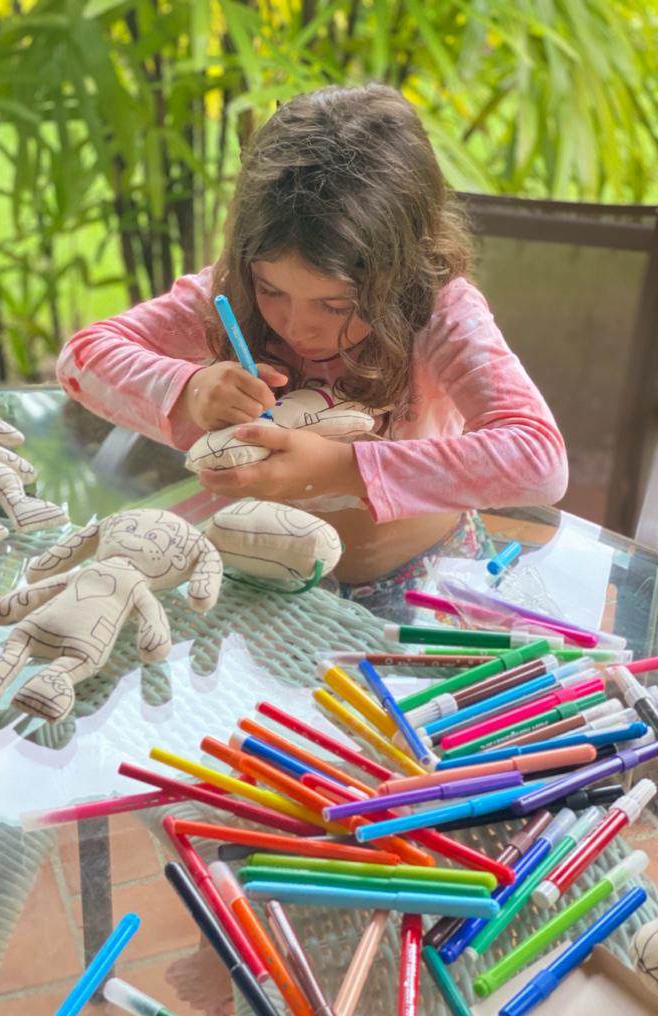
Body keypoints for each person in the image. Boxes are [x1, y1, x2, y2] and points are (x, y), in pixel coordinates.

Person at [57, 84, 568, 617]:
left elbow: (540, 461)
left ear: (401, 271)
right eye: (272, 290)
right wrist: (189, 390)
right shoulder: (228, 290)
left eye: (336, 303)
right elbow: (82, 357)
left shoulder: (440, 314)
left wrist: (344, 467)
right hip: (261, 578)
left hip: (420, 580)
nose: (298, 325)